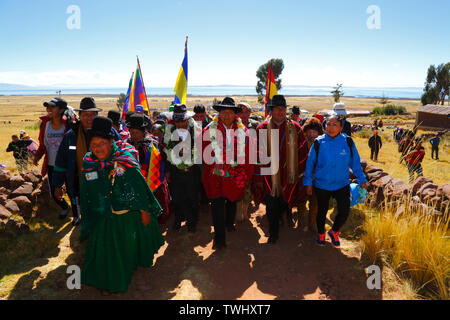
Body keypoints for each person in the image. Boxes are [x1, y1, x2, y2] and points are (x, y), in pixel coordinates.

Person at [80, 116, 164, 294]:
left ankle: (132, 275)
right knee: (107, 251)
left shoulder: (124, 160)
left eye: (102, 143)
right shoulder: (89, 163)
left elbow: (139, 187)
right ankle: (109, 281)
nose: (97, 148)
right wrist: (91, 213)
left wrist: (144, 211)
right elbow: (87, 190)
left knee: (128, 249)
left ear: (111, 142)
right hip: (103, 215)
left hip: (127, 215)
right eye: (94, 145)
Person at [52, 97, 121, 226]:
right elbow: (61, 161)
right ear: (79, 115)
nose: (89, 118)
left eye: (92, 115)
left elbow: (120, 152)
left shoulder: (109, 132)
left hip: (106, 180)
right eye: (85, 115)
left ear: (97, 115)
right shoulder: (71, 136)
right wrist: (57, 185)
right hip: (80, 181)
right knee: (85, 207)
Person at [304, 115, 368, 247]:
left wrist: (362, 179)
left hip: (341, 184)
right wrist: (308, 183)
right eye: (328, 124)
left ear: (341, 127)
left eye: (334, 125)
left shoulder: (348, 142)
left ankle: (334, 232)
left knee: (344, 211)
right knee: (321, 211)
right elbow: (310, 164)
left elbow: (355, 163)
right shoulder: (318, 143)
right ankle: (321, 234)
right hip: (322, 184)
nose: (330, 127)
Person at [252, 95, 308, 244]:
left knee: (284, 201)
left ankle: (283, 214)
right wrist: (258, 177)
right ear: (271, 111)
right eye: (277, 109)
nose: (281, 112)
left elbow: (302, 152)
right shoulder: (262, 128)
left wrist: (300, 173)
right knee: (271, 204)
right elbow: (258, 155)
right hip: (269, 175)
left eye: (283, 109)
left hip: (289, 175)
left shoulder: (295, 128)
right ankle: (274, 232)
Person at [202, 97, 254, 249]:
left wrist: (242, 173)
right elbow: (203, 151)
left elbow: (249, 153)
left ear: (235, 114)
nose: (226, 115)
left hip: (235, 175)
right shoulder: (209, 130)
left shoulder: (243, 131)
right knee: (217, 205)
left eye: (230, 112)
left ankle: (229, 223)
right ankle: (219, 239)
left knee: (232, 201)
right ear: (219, 114)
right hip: (216, 176)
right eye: (223, 112)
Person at [124, 114, 170, 225]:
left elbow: (159, 162)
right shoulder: (126, 144)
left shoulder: (152, 144)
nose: (133, 136)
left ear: (143, 131)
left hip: (152, 178)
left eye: (136, 133)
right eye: (132, 133)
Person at [163, 104, 202, 232]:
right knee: (177, 198)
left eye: (182, 121)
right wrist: (168, 170)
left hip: (192, 171)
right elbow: (166, 150)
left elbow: (200, 151)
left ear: (187, 120)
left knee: (192, 198)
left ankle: (192, 222)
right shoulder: (169, 130)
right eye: (177, 121)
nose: (180, 124)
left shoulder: (196, 130)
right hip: (176, 172)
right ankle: (178, 219)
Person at [34, 97, 71, 218]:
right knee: (54, 193)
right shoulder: (45, 124)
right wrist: (38, 155)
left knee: (72, 190)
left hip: (67, 164)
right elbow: (42, 143)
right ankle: (65, 207)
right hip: (51, 165)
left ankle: (77, 213)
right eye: (47, 106)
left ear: (61, 110)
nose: (48, 109)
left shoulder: (69, 124)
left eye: (52, 107)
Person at [297, 117, 323, 232]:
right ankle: (300, 221)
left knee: (315, 202)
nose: (312, 134)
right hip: (303, 177)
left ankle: (312, 223)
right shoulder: (301, 144)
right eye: (309, 131)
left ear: (319, 132)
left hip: (317, 179)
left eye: (314, 132)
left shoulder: (322, 144)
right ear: (305, 131)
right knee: (301, 200)